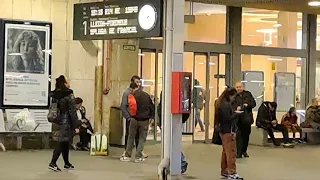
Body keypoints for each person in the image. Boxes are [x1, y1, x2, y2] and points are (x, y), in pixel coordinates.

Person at [49, 75, 79, 172]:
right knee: (61, 142)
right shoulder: (69, 94)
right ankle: (53, 163)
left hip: (56, 121)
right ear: (65, 83)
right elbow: (72, 111)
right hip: (65, 122)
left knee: (65, 141)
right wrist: (76, 125)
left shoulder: (55, 95)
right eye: (68, 81)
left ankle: (67, 163)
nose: (69, 82)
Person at [120, 83, 154, 162]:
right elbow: (151, 107)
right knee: (142, 138)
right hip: (144, 120)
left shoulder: (132, 95)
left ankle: (127, 156)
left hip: (134, 119)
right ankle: (138, 156)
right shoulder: (146, 96)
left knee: (131, 137)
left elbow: (129, 107)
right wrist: (152, 117)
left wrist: (129, 117)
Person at [214, 87, 243, 179]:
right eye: (233, 96)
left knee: (225, 152)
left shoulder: (220, 103)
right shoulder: (226, 105)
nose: (234, 98)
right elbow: (228, 118)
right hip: (228, 131)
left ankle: (225, 170)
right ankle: (232, 172)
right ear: (230, 95)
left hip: (223, 130)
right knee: (231, 152)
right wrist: (237, 113)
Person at [233, 82, 256, 159]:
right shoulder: (233, 95)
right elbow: (231, 104)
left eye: (240, 87)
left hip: (247, 119)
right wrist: (236, 108)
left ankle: (244, 151)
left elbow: (253, 103)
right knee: (238, 136)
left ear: (243, 87)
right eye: (237, 87)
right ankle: (238, 153)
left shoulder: (248, 94)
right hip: (237, 119)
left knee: (246, 135)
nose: (239, 88)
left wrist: (247, 105)